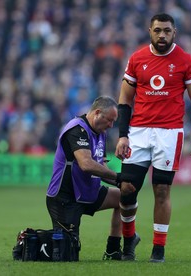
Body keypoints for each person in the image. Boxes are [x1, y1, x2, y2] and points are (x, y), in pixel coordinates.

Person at [115, 13, 191, 262]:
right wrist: (123, 136)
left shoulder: (185, 60)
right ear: (150, 31)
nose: (162, 35)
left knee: (162, 190)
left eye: (167, 31)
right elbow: (124, 100)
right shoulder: (137, 59)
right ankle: (129, 238)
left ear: (174, 32)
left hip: (169, 133)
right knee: (126, 189)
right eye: (158, 30)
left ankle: (158, 249)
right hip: (139, 132)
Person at [46, 96, 125, 261]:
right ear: (97, 113)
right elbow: (87, 164)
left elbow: (100, 168)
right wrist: (118, 176)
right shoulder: (76, 129)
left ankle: (113, 251)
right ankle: (30, 242)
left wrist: (121, 182)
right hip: (65, 197)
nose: (111, 126)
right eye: (109, 120)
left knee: (123, 198)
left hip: (88, 191)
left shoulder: (100, 133)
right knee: (67, 255)